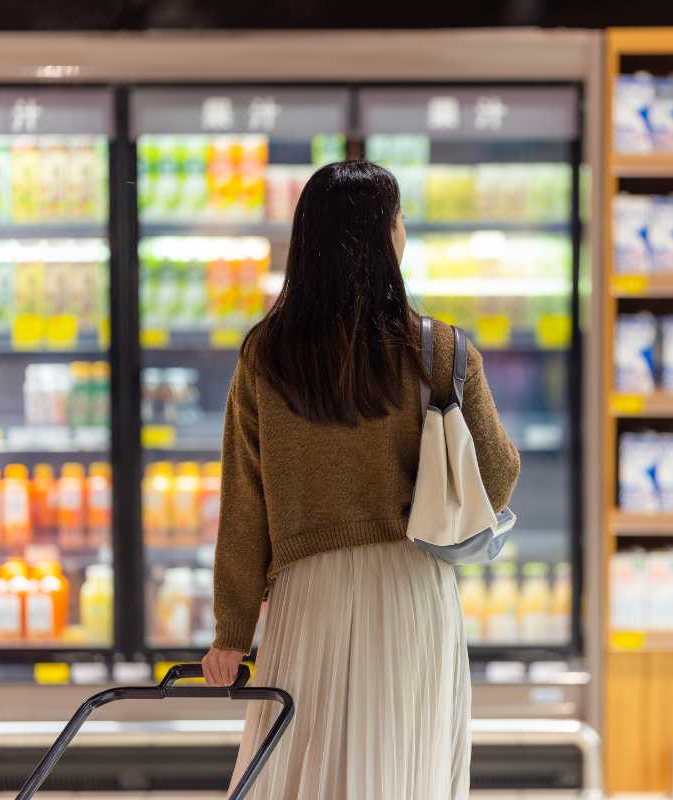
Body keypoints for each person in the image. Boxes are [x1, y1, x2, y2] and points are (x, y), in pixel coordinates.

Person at [201, 160, 520, 799]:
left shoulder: (267, 355)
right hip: (411, 587)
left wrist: (232, 633)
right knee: (403, 768)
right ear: (385, 239)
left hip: (307, 592)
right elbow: (499, 473)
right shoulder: (440, 351)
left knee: (302, 766)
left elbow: (245, 502)